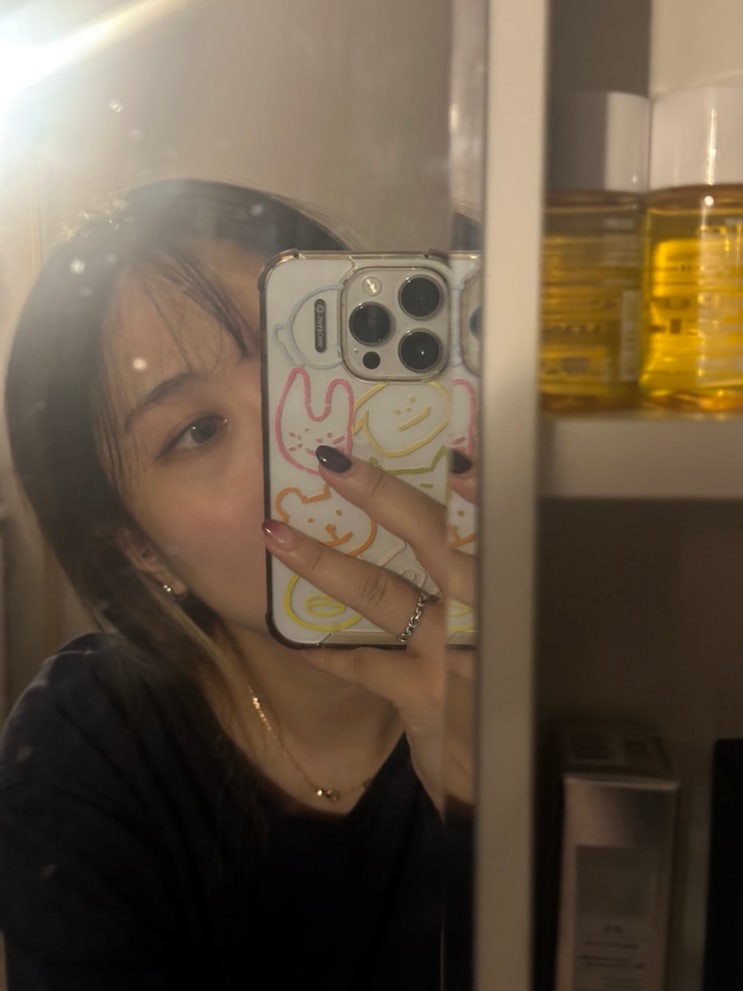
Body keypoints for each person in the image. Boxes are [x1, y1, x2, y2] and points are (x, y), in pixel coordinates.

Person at [0, 178, 475, 990]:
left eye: (307, 356)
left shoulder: (550, 658)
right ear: (140, 549)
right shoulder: (84, 748)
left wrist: (488, 818)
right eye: (197, 430)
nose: (306, 439)